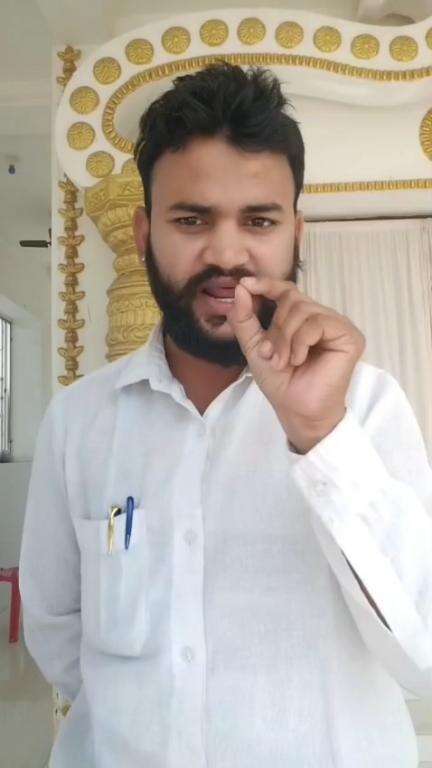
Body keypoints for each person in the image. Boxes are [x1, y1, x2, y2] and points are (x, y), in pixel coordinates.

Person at [19, 61, 432, 768]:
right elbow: (60, 637)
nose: (227, 254)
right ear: (145, 233)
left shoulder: (367, 406)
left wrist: (319, 435)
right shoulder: (78, 422)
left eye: (259, 221)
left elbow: (422, 650)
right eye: (191, 219)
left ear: (296, 234)